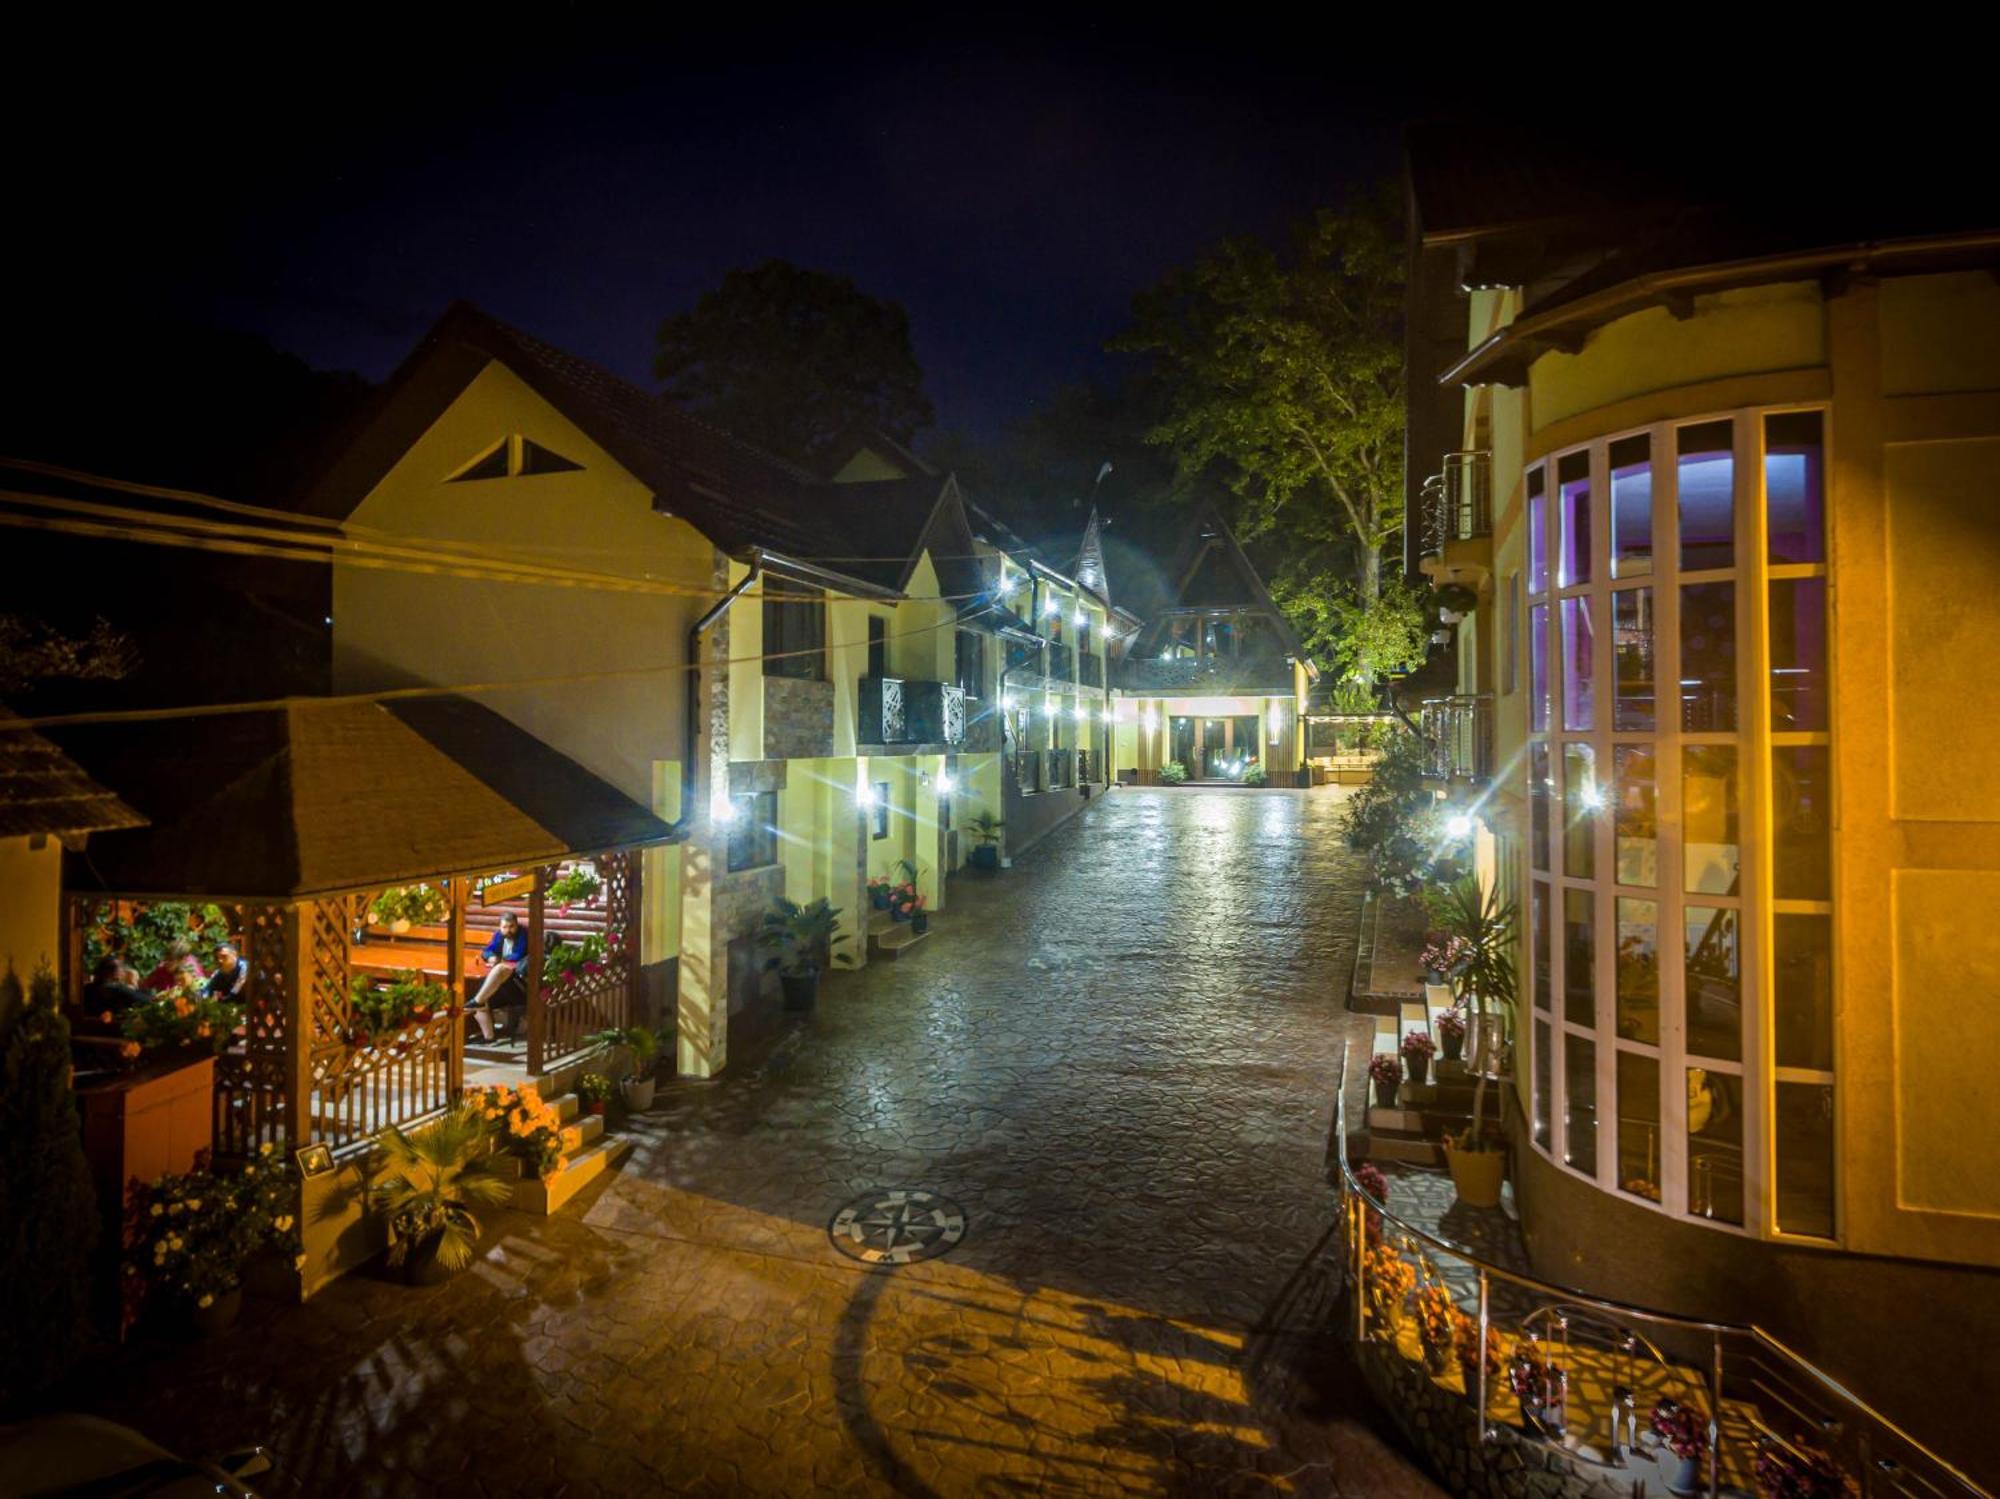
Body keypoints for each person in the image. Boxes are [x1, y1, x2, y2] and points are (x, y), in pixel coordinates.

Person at [467, 912, 528, 1041]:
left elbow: (517, 955)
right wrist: (490, 956)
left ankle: (476, 1002)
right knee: (482, 995)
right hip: (501, 985)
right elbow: (487, 951)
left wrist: (499, 960)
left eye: (512, 926)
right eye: (505, 927)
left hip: (518, 985)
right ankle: (489, 1037)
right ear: (500, 927)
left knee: (499, 969)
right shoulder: (499, 936)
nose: (508, 930)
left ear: (517, 925)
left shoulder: (524, 935)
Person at [141, 940, 205, 994]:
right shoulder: (163, 968)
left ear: (182, 959)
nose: (166, 962)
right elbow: (145, 985)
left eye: (171, 960)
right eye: (165, 958)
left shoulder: (191, 974)